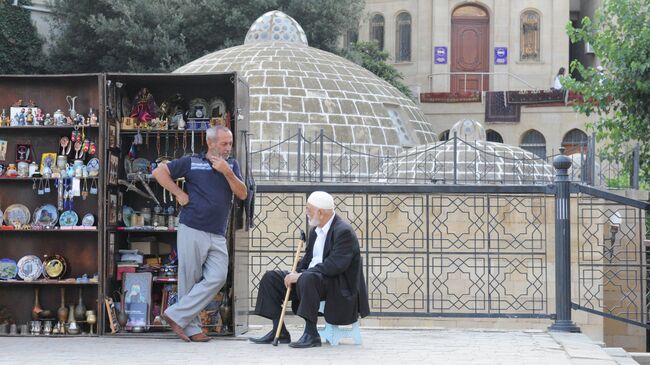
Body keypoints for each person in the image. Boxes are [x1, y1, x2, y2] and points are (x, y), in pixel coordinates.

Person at [152, 125, 247, 342]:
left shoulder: (231, 165)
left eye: (230, 143)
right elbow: (159, 172)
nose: (228, 148)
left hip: (217, 233)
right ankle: (192, 329)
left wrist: (228, 172)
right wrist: (178, 193)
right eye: (224, 143)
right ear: (210, 143)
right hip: (192, 227)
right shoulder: (191, 161)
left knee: (218, 276)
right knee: (190, 279)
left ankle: (175, 314)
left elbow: (242, 194)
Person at [250, 191, 370, 348]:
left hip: (336, 285)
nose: (306, 212)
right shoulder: (315, 231)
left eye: (309, 209)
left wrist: (301, 276)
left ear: (320, 212)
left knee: (307, 278)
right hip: (313, 279)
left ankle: (311, 334)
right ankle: (279, 331)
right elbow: (307, 261)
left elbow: (333, 266)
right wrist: (295, 273)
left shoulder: (343, 231)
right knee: (270, 278)